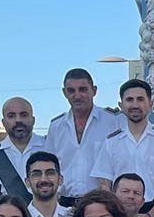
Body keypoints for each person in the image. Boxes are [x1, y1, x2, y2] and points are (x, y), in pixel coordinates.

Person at [92, 77, 154, 217]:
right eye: (129, 100)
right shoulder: (111, 142)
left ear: (150, 104)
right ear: (121, 105)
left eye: (140, 99)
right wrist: (118, 214)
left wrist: (151, 215)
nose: (135, 104)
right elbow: (104, 185)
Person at [44, 68, 125, 201]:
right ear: (64, 93)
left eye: (83, 89)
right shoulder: (56, 126)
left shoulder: (114, 120)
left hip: (101, 201)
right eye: (71, 91)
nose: (77, 95)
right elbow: (49, 165)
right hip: (64, 202)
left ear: (94, 90)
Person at [0, 96, 44, 202]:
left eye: (24, 115)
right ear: (3, 122)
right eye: (11, 116)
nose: (18, 120)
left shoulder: (50, 147)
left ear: (33, 119)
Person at [21, 150, 73, 217]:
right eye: (36, 174)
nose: (44, 179)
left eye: (50, 173)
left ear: (60, 179)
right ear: (27, 182)